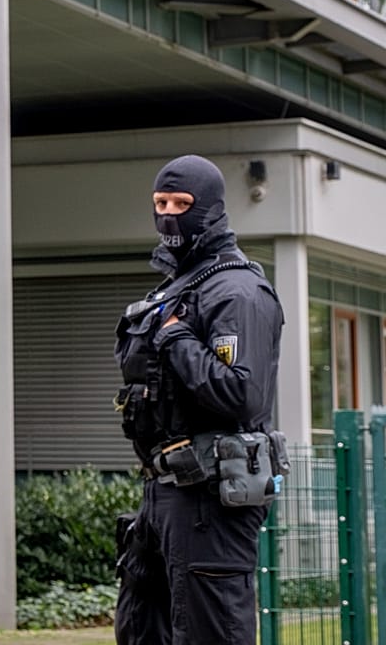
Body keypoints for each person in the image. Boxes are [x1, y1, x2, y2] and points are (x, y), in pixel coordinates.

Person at [113, 154, 284, 645]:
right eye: (160, 202)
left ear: (208, 207)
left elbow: (242, 395)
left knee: (211, 633)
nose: (168, 214)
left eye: (181, 203)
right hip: (164, 492)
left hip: (211, 500)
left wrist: (178, 341)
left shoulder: (238, 291)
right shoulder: (177, 288)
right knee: (142, 629)